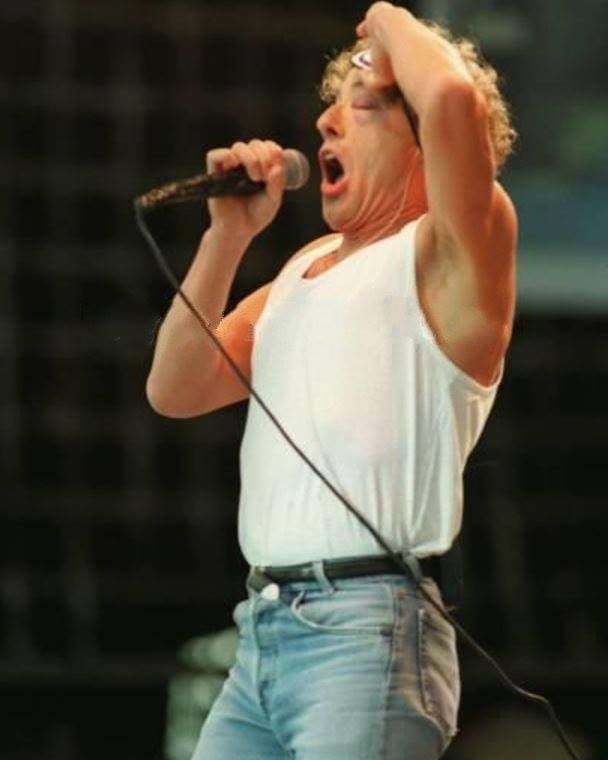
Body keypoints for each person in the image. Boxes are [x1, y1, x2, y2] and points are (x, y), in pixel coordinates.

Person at [146, 2, 517, 758]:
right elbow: (175, 388)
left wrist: (385, 19)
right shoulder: (303, 268)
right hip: (262, 632)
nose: (325, 123)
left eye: (365, 105)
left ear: (425, 146)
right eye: (332, 106)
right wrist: (227, 238)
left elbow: (453, 98)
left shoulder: (451, 251)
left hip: (366, 631)